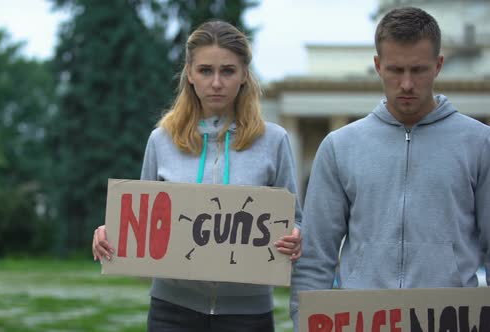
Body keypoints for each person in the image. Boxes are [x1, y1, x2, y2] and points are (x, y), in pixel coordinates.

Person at [92, 20, 303, 332]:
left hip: (249, 313)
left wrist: (297, 237)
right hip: (172, 311)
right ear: (189, 73)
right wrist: (114, 233)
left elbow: (295, 221)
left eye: (227, 71)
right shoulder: (161, 140)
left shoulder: (274, 141)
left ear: (244, 74)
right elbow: (146, 220)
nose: (216, 82)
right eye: (206, 70)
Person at [290, 6, 490, 330]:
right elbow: (316, 256)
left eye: (419, 70)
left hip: (450, 320)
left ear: (438, 66)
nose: (407, 84)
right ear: (377, 66)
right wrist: (304, 322)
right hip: (363, 321)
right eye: (395, 70)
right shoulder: (340, 146)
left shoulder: (480, 143)